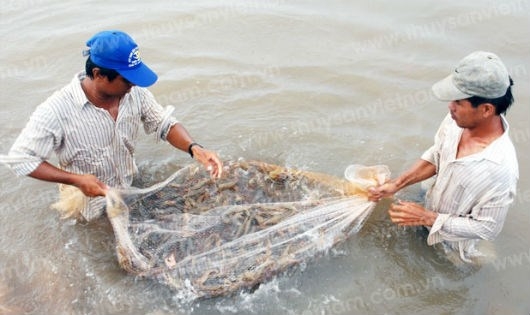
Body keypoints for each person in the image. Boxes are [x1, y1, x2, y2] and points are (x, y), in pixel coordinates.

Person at [2, 30, 223, 221]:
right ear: (99, 75)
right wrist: (76, 180)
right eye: (127, 79)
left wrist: (194, 148)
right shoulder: (56, 110)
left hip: (128, 184)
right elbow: (21, 159)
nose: (133, 84)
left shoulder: (134, 94)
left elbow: (164, 124)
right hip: (87, 202)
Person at [368, 51, 519, 263]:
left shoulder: (499, 169)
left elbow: (488, 227)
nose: (450, 106)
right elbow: (437, 154)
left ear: (486, 109)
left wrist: (426, 217)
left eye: (458, 101)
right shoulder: (456, 121)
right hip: (430, 203)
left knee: (457, 265)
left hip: (453, 242)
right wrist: (397, 184)